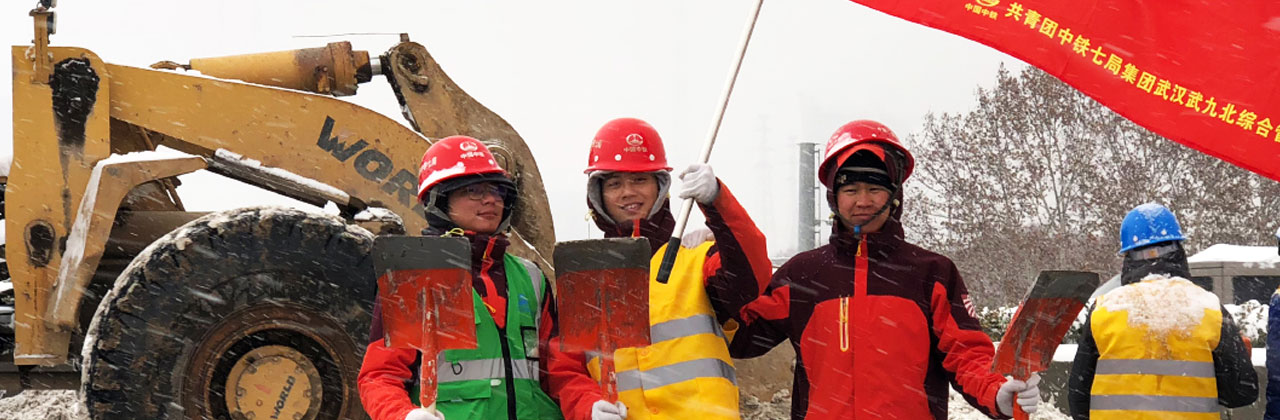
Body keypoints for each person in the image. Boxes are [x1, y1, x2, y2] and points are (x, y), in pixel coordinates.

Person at [727, 120, 1041, 419]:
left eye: (874, 189)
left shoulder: (932, 273)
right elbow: (739, 335)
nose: (863, 201)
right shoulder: (803, 275)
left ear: (894, 196)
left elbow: (966, 355)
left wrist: (996, 392)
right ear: (834, 197)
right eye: (851, 190)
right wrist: (721, 241)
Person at [546, 117, 771, 420]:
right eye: (614, 183)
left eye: (639, 180)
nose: (628, 192)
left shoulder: (697, 257)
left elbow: (752, 278)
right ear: (597, 196)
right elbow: (565, 370)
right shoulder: (584, 279)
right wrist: (587, 407)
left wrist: (718, 202)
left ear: (661, 187)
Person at [358, 136, 563, 420]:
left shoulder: (532, 278)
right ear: (440, 201)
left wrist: (587, 407)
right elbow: (380, 376)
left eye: (497, 190)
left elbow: (561, 374)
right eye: (473, 190)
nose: (490, 199)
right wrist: (403, 415)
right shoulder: (414, 277)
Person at [1068, 202, 1257, 419]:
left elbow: (1078, 399)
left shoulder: (1105, 310)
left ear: (1128, 257)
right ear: (1179, 251)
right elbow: (1242, 393)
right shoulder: (1209, 309)